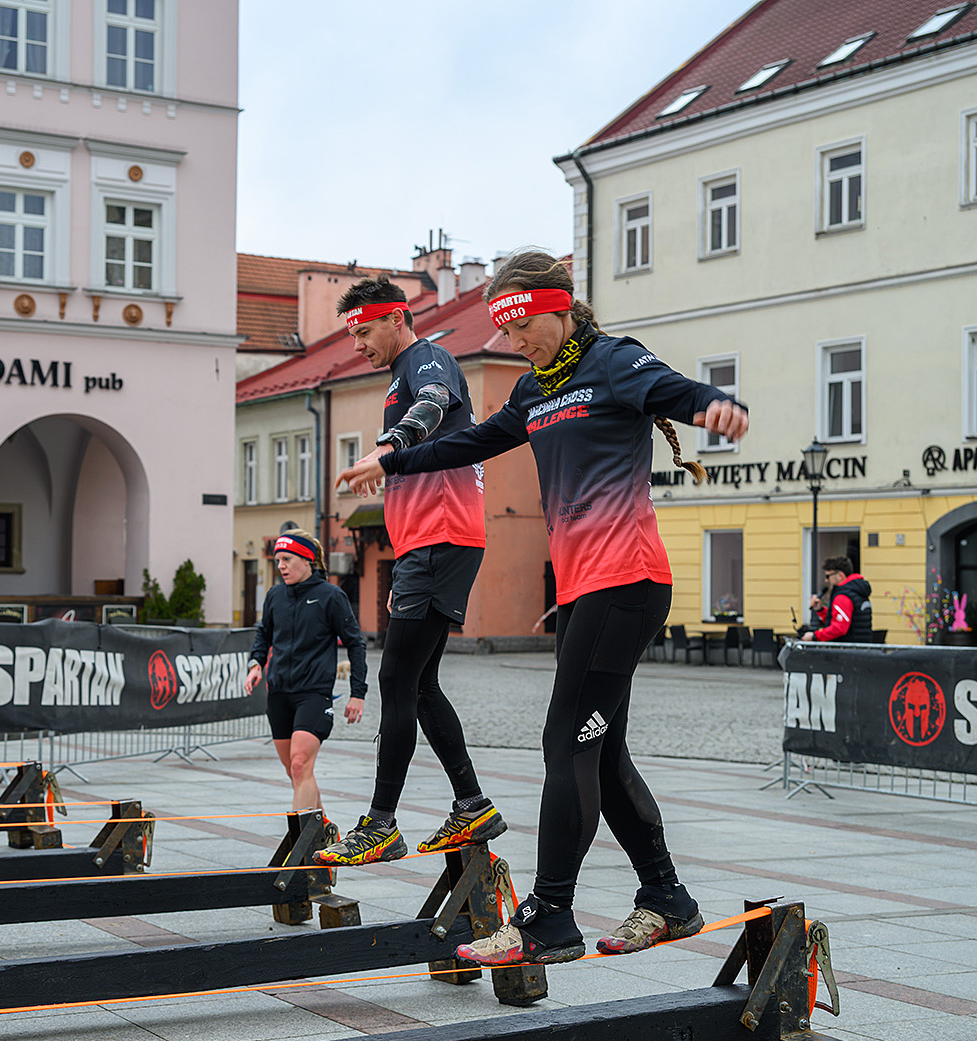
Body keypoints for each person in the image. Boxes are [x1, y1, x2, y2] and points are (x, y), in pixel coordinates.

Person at [338, 249, 748, 964]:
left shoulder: (613, 362)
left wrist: (714, 406)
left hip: (627, 583)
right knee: (600, 748)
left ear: (558, 308)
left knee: (566, 743)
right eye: (507, 331)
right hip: (582, 590)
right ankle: (667, 897)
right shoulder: (533, 390)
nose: (515, 341)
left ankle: (550, 916)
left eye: (523, 326)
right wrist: (390, 459)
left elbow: (674, 390)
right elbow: (471, 441)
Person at [314, 274, 507, 868]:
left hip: (438, 539)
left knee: (397, 679)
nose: (357, 345)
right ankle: (473, 805)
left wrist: (387, 449)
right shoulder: (401, 374)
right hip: (430, 542)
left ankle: (382, 825)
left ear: (396, 318)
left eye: (364, 331)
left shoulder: (428, 359)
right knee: (420, 685)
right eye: (352, 335)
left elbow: (433, 405)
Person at [244, 531, 367, 833]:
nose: (281, 566)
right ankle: (325, 833)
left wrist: (358, 693)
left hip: (313, 694)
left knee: (300, 765)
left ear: (307, 559)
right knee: (295, 772)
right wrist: (256, 663)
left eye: (287, 559)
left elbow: (356, 644)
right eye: (278, 561)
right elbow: (263, 634)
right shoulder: (275, 596)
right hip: (279, 694)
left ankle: (301, 844)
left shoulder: (331, 596)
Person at [800, 558, 873, 642]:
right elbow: (846, 619)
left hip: (846, 647)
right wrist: (821, 610)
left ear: (840, 576)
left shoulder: (843, 596)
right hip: (860, 645)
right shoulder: (857, 591)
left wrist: (814, 636)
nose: (826, 580)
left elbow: (839, 628)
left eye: (828, 576)